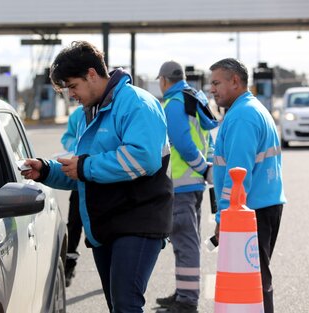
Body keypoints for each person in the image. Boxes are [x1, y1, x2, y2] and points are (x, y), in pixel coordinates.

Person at [21, 40, 173, 313]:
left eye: (72, 86)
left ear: (92, 74)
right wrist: (45, 170)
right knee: (117, 305)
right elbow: (80, 171)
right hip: (106, 224)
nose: (71, 95)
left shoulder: (137, 104)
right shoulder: (87, 114)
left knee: (126, 304)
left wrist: (84, 167)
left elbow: (144, 159)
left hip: (139, 219)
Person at [209, 58, 286, 313]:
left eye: (217, 82)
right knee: (256, 277)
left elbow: (237, 174)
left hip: (249, 210)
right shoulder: (252, 108)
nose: (212, 89)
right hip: (262, 205)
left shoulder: (242, 116)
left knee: (256, 280)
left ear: (235, 81)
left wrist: (224, 217)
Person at [155, 61, 219, 313]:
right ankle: (184, 291)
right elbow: (207, 137)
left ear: (163, 80)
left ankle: (187, 301)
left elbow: (181, 142)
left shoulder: (174, 104)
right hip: (193, 184)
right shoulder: (194, 97)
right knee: (184, 240)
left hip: (181, 185)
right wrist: (206, 167)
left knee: (184, 241)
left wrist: (202, 167)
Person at [60, 104, 84, 287]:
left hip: (106, 181)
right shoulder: (78, 114)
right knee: (74, 223)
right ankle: (69, 264)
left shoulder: (115, 109)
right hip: (80, 179)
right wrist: (77, 147)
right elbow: (67, 136)